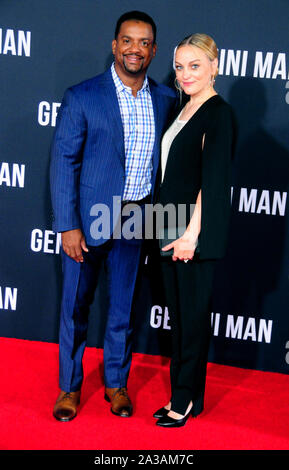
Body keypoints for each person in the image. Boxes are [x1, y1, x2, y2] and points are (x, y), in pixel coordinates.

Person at [50, 11, 176, 421]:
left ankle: (116, 384)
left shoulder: (165, 100)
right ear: (114, 46)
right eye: (127, 40)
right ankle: (69, 388)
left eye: (143, 42)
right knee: (75, 307)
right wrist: (68, 225)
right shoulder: (83, 96)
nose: (135, 49)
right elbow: (63, 163)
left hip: (137, 217)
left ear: (153, 50)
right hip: (87, 221)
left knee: (123, 308)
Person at [154, 33, 236, 427]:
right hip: (166, 223)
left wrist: (190, 234)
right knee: (180, 318)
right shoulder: (181, 109)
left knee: (192, 318)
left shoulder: (219, 114)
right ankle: (186, 395)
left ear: (214, 67)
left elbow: (213, 180)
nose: (185, 74)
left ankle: (183, 400)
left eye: (195, 66)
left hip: (191, 231)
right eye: (180, 66)